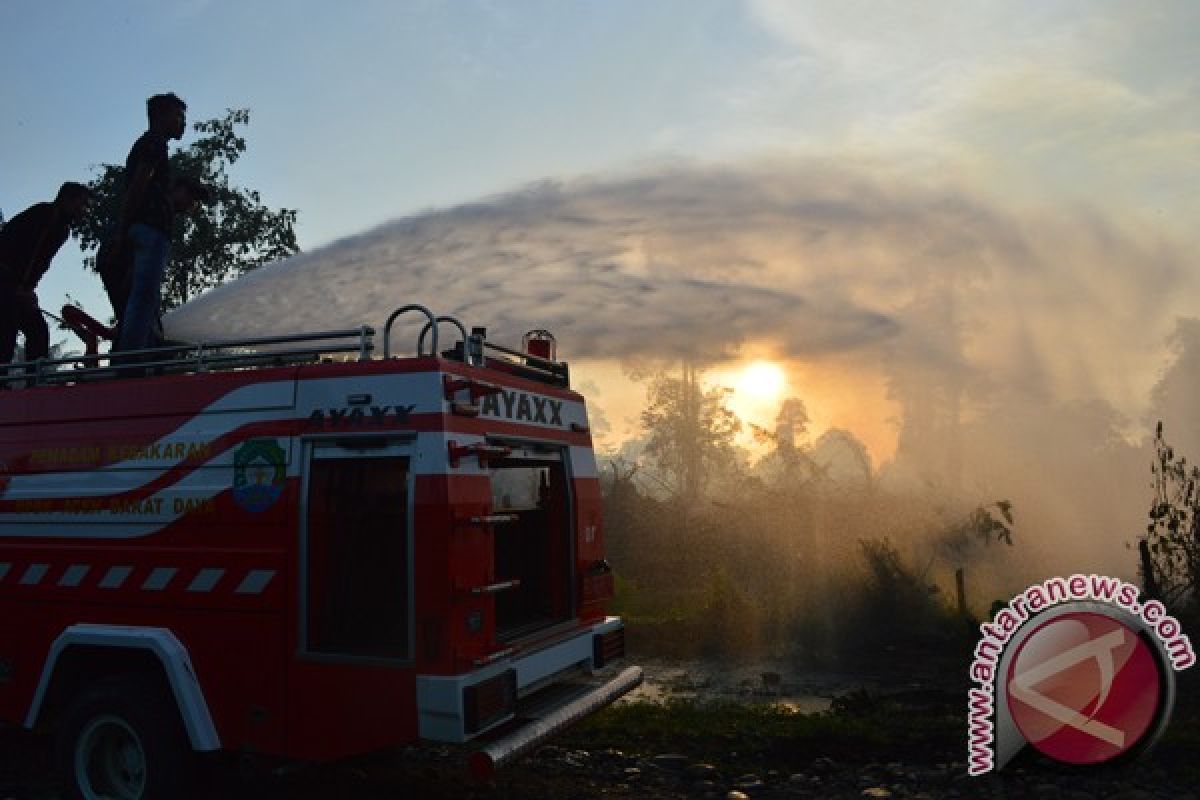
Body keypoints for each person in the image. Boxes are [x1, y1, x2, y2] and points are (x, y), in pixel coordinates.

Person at [105, 92, 187, 352]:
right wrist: (121, 229)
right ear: (160, 115)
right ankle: (133, 363)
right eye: (178, 116)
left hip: (145, 230)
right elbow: (138, 186)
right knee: (144, 299)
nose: (182, 123)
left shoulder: (151, 145)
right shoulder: (153, 144)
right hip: (150, 231)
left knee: (143, 299)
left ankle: (133, 353)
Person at [99, 175, 210, 347]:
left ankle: (128, 355)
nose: (190, 204)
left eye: (194, 202)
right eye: (190, 196)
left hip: (113, 263)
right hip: (117, 262)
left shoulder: (159, 210)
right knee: (141, 308)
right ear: (177, 188)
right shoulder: (157, 208)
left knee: (135, 315)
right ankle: (132, 360)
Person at [0, 182, 91, 370]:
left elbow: (41, 263)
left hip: (20, 286)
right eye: (81, 204)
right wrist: (17, 287)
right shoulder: (44, 216)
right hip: (6, 279)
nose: (83, 210)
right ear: (66, 199)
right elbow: (24, 253)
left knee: (38, 331)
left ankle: (34, 382)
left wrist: (28, 289)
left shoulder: (62, 229)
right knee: (7, 328)